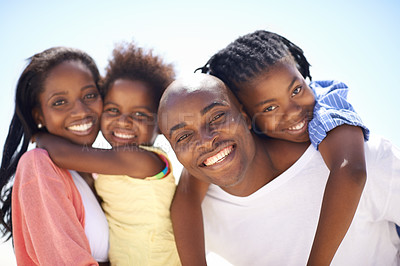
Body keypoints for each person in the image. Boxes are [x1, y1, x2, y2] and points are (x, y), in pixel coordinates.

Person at [158, 73, 400, 265]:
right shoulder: (196, 211)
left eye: (217, 116)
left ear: (244, 114)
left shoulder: (359, 159)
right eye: (184, 136)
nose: (206, 140)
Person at [178, 30, 370, 265]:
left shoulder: (326, 106)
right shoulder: (235, 138)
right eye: (269, 108)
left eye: (297, 90)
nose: (293, 112)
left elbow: (351, 172)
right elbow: (186, 197)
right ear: (243, 114)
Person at [35, 42, 181, 265]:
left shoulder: (144, 160)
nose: (124, 121)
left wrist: (41, 135)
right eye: (113, 110)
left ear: (161, 123)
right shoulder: (109, 165)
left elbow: (64, 155)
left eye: (140, 114)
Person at [0, 47, 109, 265]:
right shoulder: (38, 165)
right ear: (38, 115)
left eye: (89, 95)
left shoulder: (102, 177)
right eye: (59, 102)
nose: (80, 110)